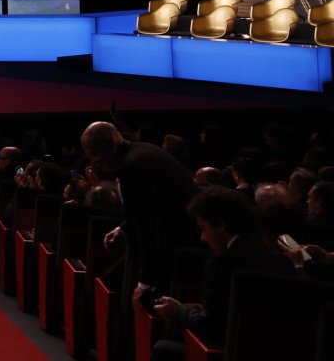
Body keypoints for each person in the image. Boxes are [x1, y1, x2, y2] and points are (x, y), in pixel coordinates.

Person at [149, 187, 296, 360]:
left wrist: (180, 311)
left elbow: (211, 328)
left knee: (162, 349)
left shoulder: (222, 262)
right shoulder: (282, 260)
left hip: (229, 353)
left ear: (221, 224)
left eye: (203, 228)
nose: (203, 237)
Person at [81, 122, 200, 294]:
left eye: (94, 154)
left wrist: (146, 281)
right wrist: (122, 230)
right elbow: (151, 209)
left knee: (111, 284)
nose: (94, 162)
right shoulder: (142, 151)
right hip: (184, 239)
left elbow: (148, 227)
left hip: (180, 249)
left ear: (110, 144)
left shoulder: (132, 167)